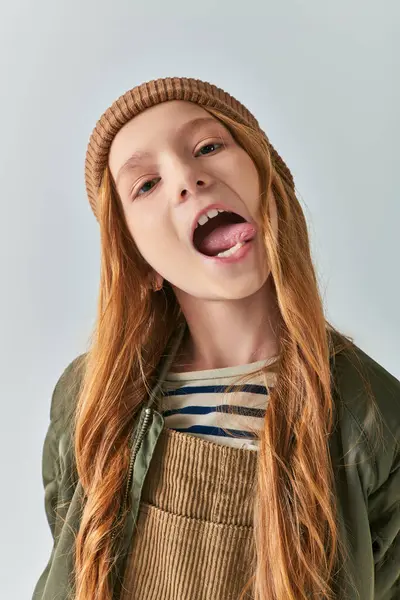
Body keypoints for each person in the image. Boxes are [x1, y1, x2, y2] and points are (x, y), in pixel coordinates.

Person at [32, 77, 400, 600]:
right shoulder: (89, 400)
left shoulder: (375, 416)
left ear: (267, 185)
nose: (188, 177)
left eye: (208, 147)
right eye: (146, 184)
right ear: (138, 261)